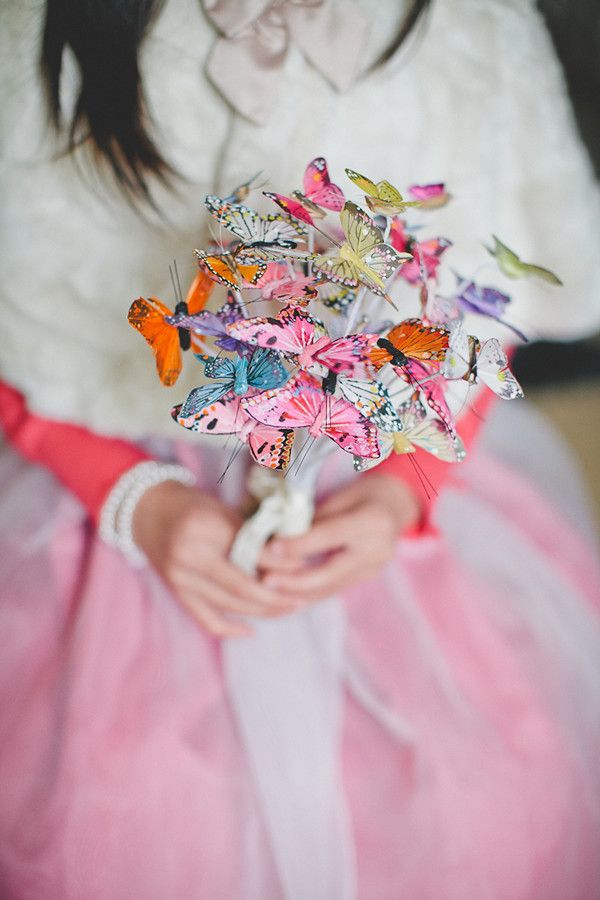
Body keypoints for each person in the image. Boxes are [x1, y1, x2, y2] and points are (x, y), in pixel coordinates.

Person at [1, 1, 600, 897]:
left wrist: (409, 486)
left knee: (493, 805)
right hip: (119, 493)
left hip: (390, 468)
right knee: (127, 820)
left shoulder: (476, 26)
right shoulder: (26, 32)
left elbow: (486, 307)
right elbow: (18, 334)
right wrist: (133, 497)